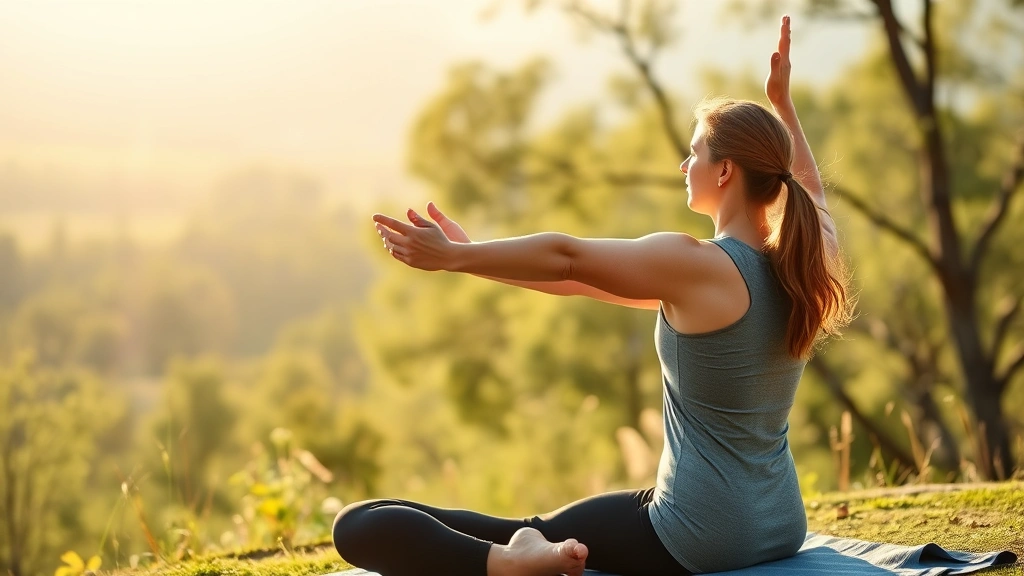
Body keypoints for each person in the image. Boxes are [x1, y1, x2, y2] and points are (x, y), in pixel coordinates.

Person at [333, 15, 852, 576]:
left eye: (695, 151)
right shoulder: (802, 264)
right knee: (526, 528)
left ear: (725, 170)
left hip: (698, 536)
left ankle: (506, 564)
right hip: (778, 526)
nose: (683, 164)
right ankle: (523, 550)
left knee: (360, 524)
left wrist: (459, 255)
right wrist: (784, 106)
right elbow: (581, 277)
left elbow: (568, 254)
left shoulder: (698, 265)